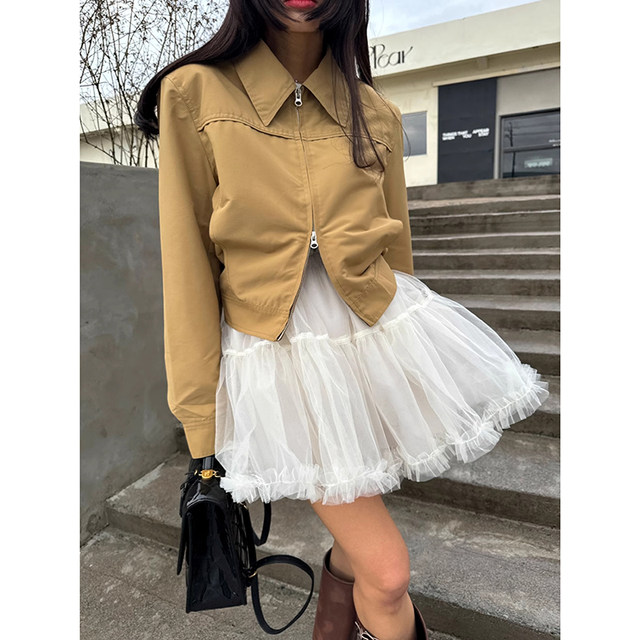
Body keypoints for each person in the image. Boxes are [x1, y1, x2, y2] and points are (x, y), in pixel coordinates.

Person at [135, 1, 550, 639]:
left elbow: (397, 255)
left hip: (373, 339)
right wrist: (201, 423)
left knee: (359, 556)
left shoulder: (375, 113)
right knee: (387, 574)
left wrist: (409, 372)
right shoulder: (194, 93)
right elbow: (187, 267)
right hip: (278, 355)